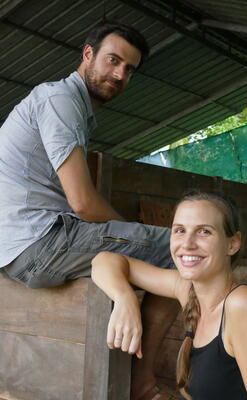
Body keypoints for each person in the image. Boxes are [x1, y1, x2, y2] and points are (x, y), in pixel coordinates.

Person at [0, 20, 179, 400]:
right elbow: (82, 201)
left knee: (150, 247)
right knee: (177, 249)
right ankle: (142, 383)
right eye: (113, 60)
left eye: (129, 69)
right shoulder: (60, 100)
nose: (119, 74)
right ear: (88, 55)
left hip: (25, 243)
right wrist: (132, 229)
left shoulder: (74, 107)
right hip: (39, 242)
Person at [92, 191, 247, 400]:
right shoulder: (187, 290)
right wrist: (125, 299)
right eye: (180, 231)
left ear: (232, 243)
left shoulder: (243, 305)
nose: (187, 243)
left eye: (204, 231)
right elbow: (104, 261)